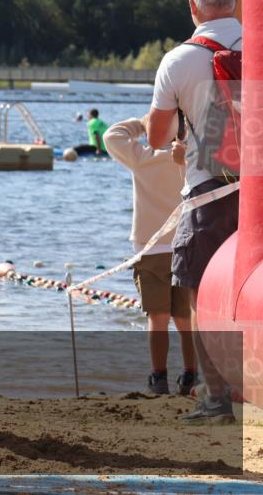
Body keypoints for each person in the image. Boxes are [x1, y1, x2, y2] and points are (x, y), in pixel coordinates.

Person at [147, 0, 241, 423]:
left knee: (200, 294)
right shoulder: (259, 45)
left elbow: (156, 137)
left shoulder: (178, 60)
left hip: (209, 191)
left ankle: (217, 399)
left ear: (192, 6)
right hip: (258, 191)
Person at [104, 115, 197, 395]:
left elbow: (111, 136)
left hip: (150, 248)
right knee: (185, 318)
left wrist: (142, 122)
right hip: (185, 244)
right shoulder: (189, 158)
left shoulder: (142, 158)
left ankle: (158, 377)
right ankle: (190, 374)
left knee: (157, 317)